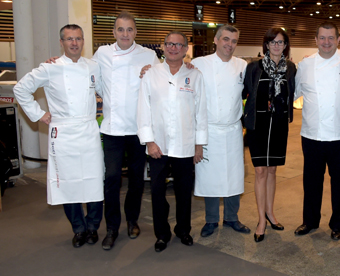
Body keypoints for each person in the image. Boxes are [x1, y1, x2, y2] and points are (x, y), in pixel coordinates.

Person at [14, 24, 104, 248]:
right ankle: (79, 229)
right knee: (67, 183)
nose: (74, 43)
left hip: (88, 130)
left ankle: (93, 226)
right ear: (62, 43)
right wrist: (39, 114)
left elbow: (105, 91)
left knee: (94, 182)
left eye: (78, 39)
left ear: (83, 41)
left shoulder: (94, 67)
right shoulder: (49, 68)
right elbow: (20, 89)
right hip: (62, 133)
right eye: (69, 39)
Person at [92, 11, 159, 250]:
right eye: (120, 29)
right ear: (113, 32)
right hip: (112, 128)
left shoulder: (148, 55)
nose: (125, 34)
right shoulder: (102, 54)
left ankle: (132, 220)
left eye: (129, 30)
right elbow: (91, 78)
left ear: (136, 33)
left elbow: (161, 82)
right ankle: (111, 227)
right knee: (111, 178)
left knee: (136, 180)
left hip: (138, 129)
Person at [293, 22, 340, 240]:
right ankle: (310, 221)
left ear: (338, 40)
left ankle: (338, 224)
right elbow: (292, 93)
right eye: (322, 38)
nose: (326, 42)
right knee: (311, 182)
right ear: (315, 40)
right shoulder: (305, 65)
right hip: (312, 135)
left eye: (331, 38)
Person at [137, 31, 207, 252]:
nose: (173, 48)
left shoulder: (195, 76)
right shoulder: (151, 74)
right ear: (162, 46)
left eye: (179, 45)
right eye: (169, 44)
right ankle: (162, 233)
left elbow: (201, 112)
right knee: (157, 191)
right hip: (159, 145)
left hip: (185, 145)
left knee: (184, 191)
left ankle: (183, 229)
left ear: (186, 49)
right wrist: (149, 142)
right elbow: (143, 109)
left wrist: (199, 144)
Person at [192, 25, 250, 237]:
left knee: (234, 176)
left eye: (234, 41)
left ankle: (232, 218)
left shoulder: (242, 65)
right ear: (216, 40)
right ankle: (211, 220)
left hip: (233, 129)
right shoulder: (199, 64)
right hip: (209, 131)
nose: (230, 44)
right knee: (209, 177)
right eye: (226, 39)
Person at [242, 28, 296, 242]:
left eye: (280, 42)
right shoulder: (253, 68)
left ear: (285, 46)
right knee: (261, 172)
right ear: (266, 45)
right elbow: (243, 94)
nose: (276, 45)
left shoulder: (290, 68)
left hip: (280, 125)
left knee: (272, 170)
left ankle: (271, 213)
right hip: (258, 125)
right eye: (272, 42)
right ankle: (261, 220)